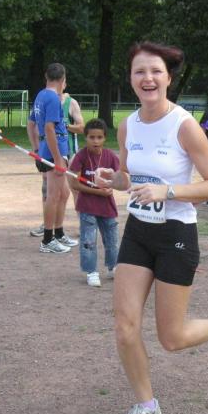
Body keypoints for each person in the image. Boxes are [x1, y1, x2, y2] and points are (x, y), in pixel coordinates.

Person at [93, 41, 208, 414]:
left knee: (172, 337)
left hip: (176, 234)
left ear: (168, 78)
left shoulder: (184, 125)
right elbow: (130, 177)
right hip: (139, 231)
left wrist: (169, 191)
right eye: (139, 71)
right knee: (124, 326)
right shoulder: (127, 125)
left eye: (155, 71)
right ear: (130, 79)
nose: (147, 78)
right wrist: (114, 180)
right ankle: (147, 407)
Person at [26, 63, 78, 253]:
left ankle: (59, 233)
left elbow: (30, 124)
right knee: (54, 195)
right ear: (63, 80)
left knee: (63, 193)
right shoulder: (54, 99)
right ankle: (47, 240)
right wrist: (57, 158)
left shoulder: (41, 95)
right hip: (54, 152)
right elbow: (49, 128)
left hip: (49, 150)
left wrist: (36, 148)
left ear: (46, 77)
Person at [68, 118, 119, 287]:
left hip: (107, 207)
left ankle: (113, 267)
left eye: (99, 137)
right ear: (86, 137)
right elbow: (74, 183)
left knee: (112, 240)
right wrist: (98, 191)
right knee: (88, 241)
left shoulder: (110, 156)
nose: (95, 141)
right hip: (87, 207)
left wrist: (112, 185)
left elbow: (119, 179)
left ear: (105, 138)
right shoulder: (81, 156)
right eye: (91, 137)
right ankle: (91, 271)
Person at [28, 87, 85, 239]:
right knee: (48, 190)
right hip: (49, 154)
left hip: (69, 153)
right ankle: (48, 225)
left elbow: (82, 127)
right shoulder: (44, 101)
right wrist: (37, 149)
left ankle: (82, 225)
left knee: (74, 189)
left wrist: (64, 126)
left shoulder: (70, 103)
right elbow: (32, 124)